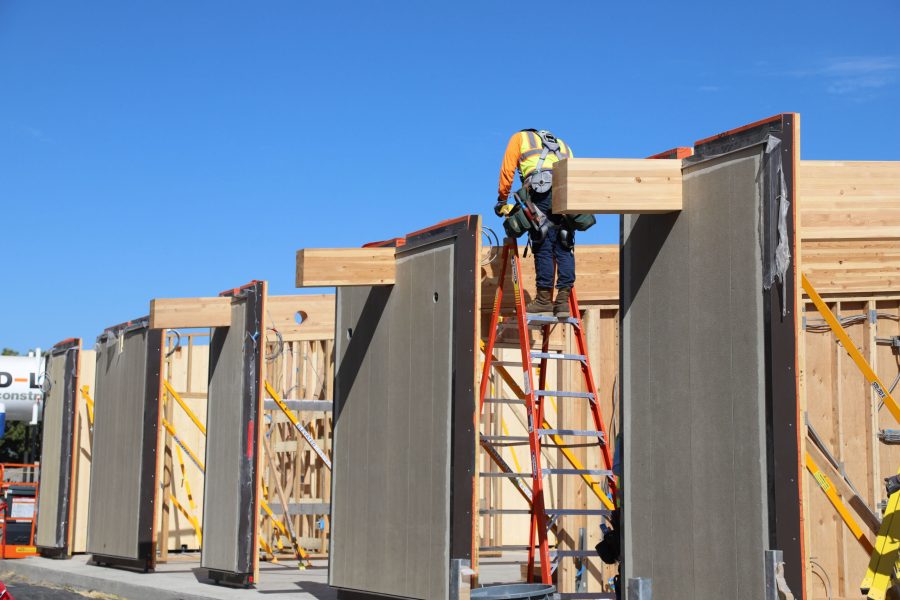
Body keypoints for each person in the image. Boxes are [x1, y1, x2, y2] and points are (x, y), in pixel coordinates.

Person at [495, 129, 575, 317]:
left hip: (541, 189)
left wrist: (502, 200)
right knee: (564, 242)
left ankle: (544, 300)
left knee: (542, 239)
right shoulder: (562, 143)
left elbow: (507, 170)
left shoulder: (520, 138)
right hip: (567, 191)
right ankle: (563, 301)